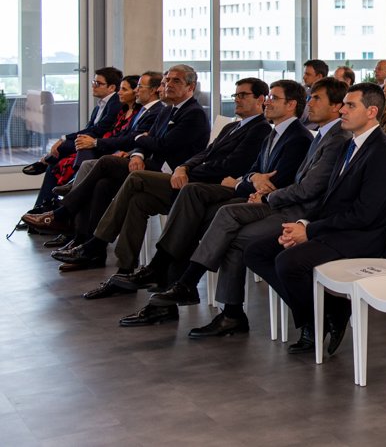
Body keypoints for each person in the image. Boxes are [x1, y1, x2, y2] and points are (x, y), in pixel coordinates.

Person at [144, 77, 350, 338]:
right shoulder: (312, 134)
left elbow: (306, 188)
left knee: (228, 223)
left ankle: (192, 285)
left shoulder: (327, 138)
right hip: (279, 200)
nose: (310, 103)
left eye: (316, 98)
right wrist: (254, 181)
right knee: (213, 215)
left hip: (298, 211)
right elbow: (256, 171)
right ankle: (223, 308)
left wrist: (264, 196)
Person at [111, 80, 314, 320]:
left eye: (273, 98)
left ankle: (173, 278)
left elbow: (274, 181)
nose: (268, 102)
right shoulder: (272, 131)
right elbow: (253, 170)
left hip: (261, 200)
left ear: (291, 105)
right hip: (241, 190)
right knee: (178, 205)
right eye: (268, 97)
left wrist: (240, 183)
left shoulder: (293, 136)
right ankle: (171, 286)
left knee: (195, 206)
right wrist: (249, 178)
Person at [245, 83, 386, 356]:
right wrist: (302, 225)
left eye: (350, 105)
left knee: (288, 262)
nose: (342, 110)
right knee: (256, 251)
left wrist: (310, 231)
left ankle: (314, 323)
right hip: (337, 228)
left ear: (372, 112)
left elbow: (364, 215)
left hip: (361, 238)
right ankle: (329, 310)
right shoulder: (349, 144)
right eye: (343, 104)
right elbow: (329, 199)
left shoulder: (383, 154)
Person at [31, 66, 211, 271]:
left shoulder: (193, 113)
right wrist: (137, 154)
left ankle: (65, 214)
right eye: (167, 80)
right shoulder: (168, 109)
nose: (168, 84)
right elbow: (147, 141)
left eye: (176, 81)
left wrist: (140, 140)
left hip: (173, 175)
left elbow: (162, 145)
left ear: (191, 87)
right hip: (152, 166)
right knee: (103, 185)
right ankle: (99, 253)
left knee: (106, 163)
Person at [22, 66, 123, 189]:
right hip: (90, 141)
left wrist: (64, 138)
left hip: (100, 144)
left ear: (111, 87)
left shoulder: (115, 103)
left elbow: (100, 129)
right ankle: (46, 195)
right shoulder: (100, 104)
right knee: (55, 163)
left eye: (98, 83)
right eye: (93, 82)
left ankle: (46, 161)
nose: (93, 86)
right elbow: (90, 127)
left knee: (63, 147)